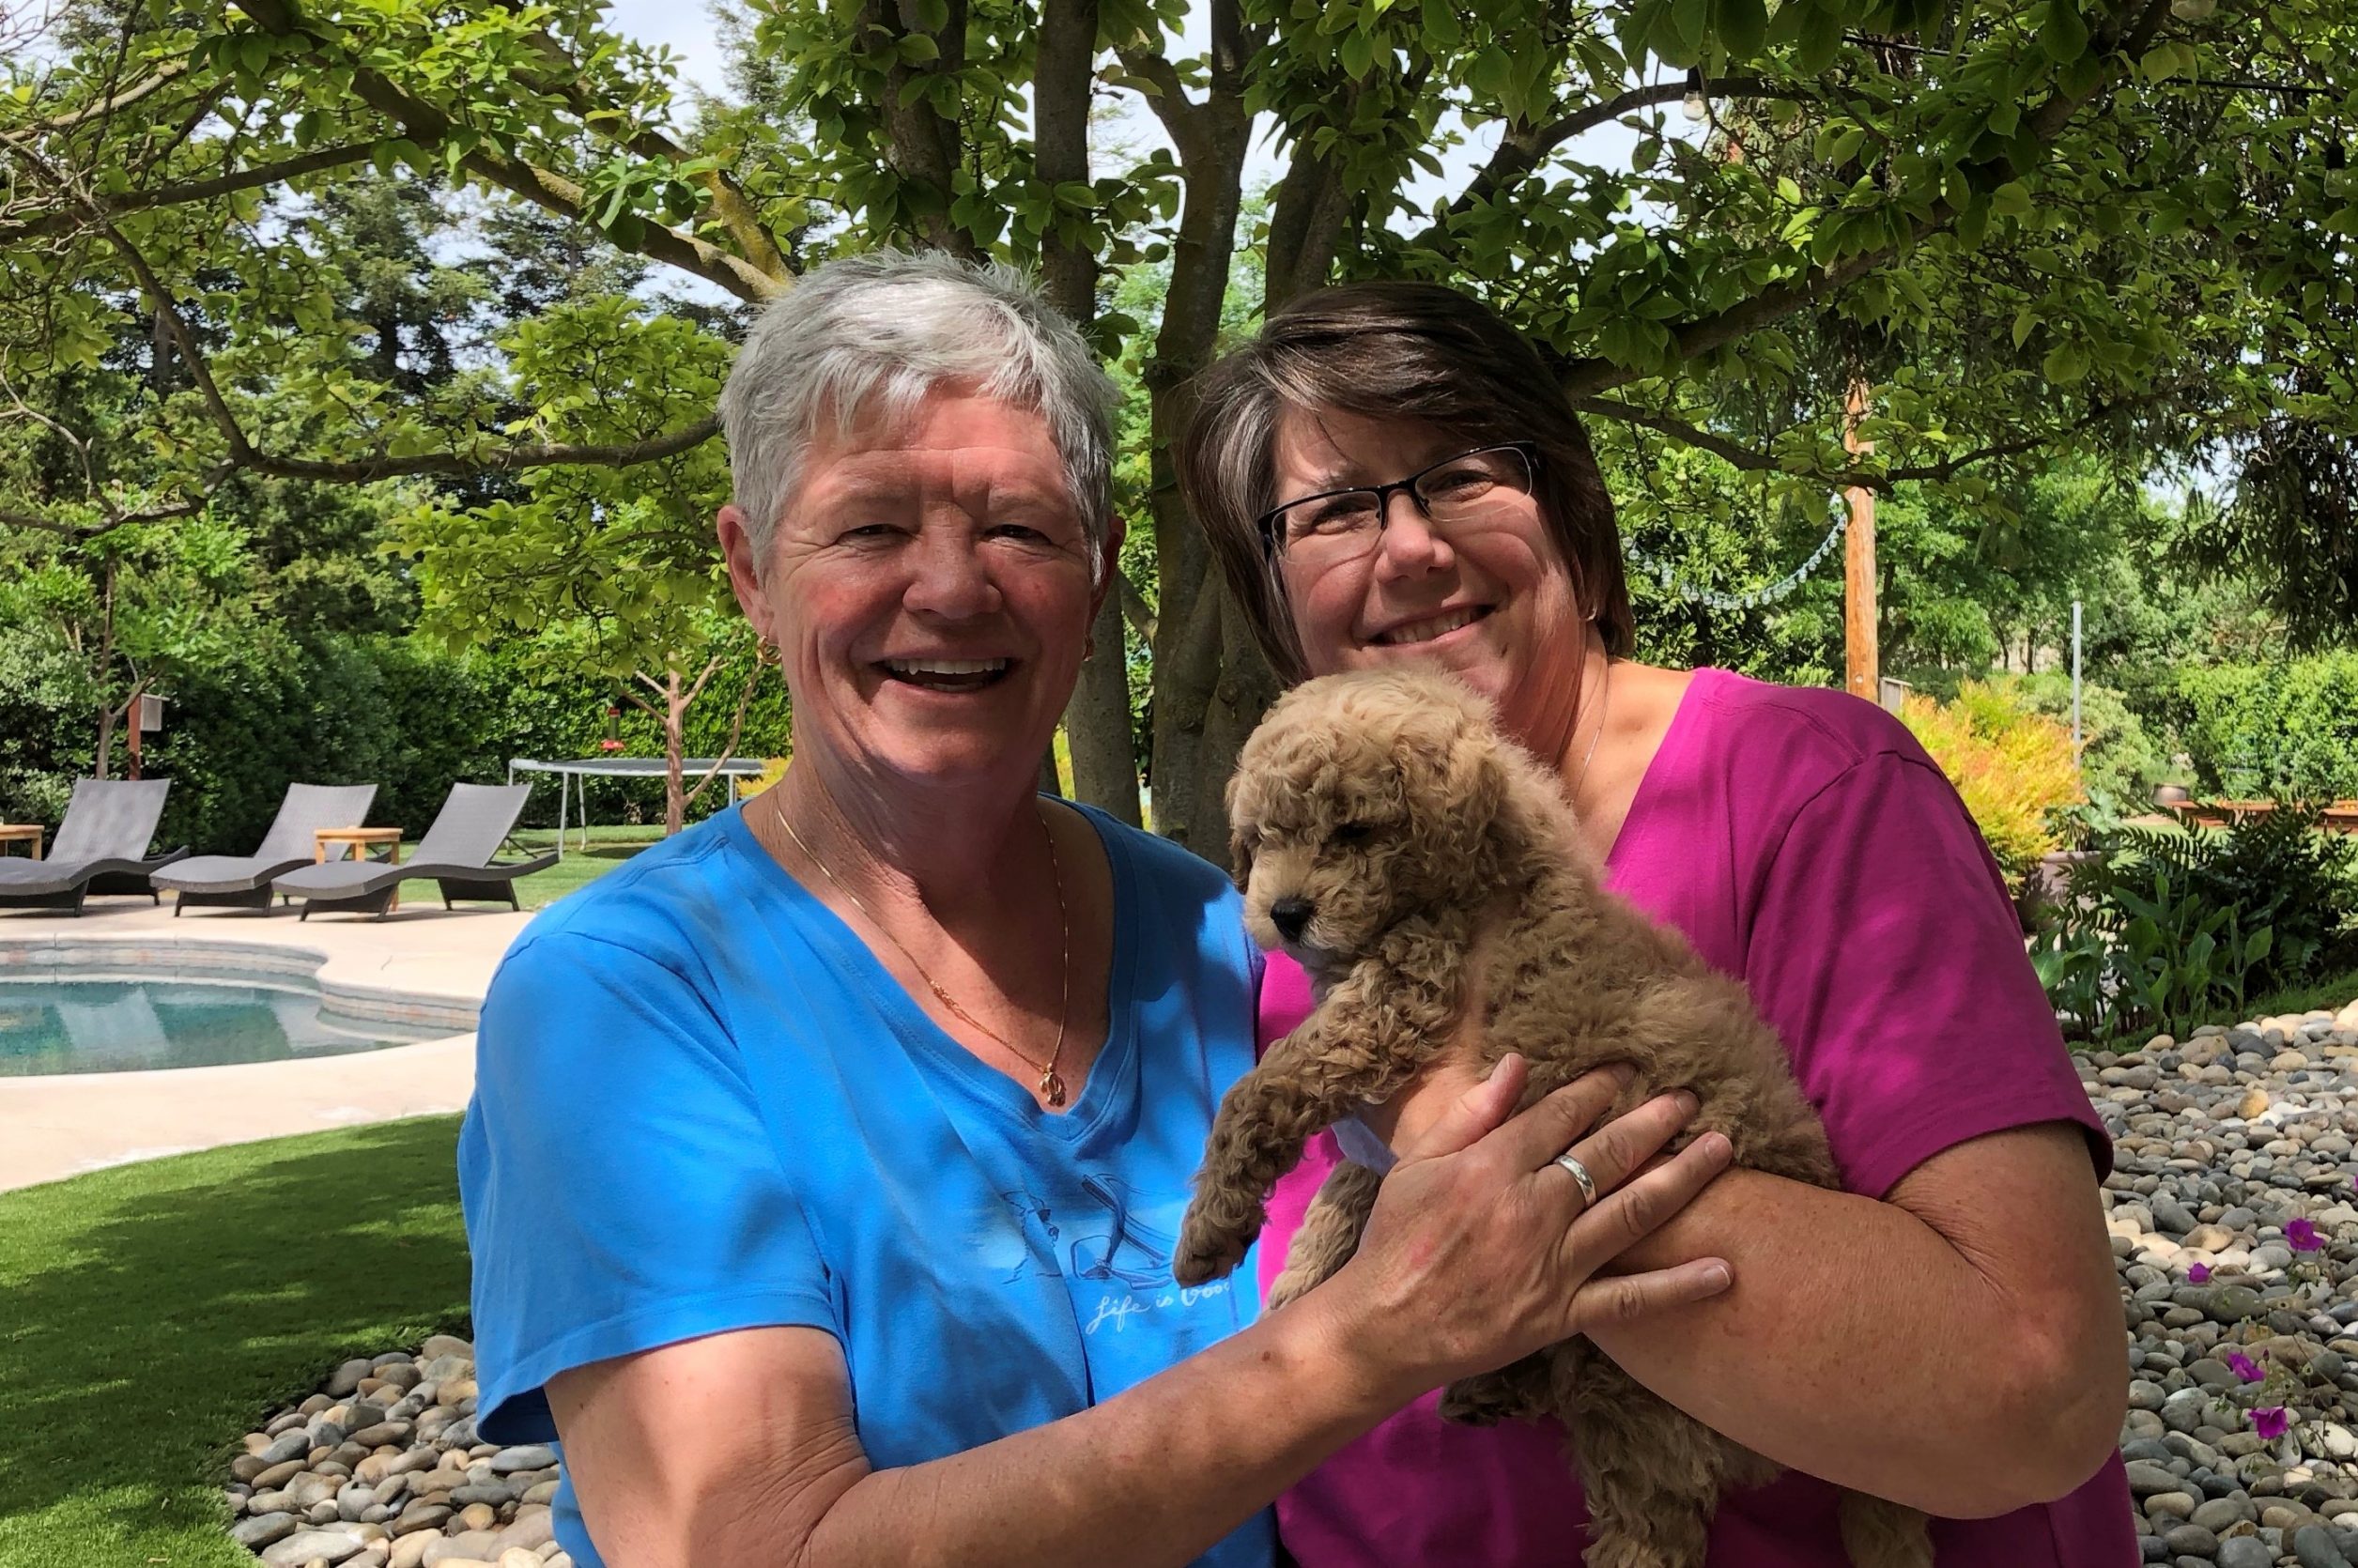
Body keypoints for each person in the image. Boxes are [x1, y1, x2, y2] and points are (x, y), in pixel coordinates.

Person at [455, 251, 1739, 1568]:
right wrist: (1364, 1339)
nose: (953, 588)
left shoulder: (1200, 929)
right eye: (871, 527)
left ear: (1102, 569)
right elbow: (755, 1545)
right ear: (750, 570)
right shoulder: (624, 999)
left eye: (1018, 526)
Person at [1177, 280, 2133, 1567]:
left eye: (1458, 474)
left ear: (1567, 511)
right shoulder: (1289, 915)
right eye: (1337, 509)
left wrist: (1478, 1137)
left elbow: (2034, 1393)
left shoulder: (1813, 792)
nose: (1405, 548)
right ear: (1275, 590)